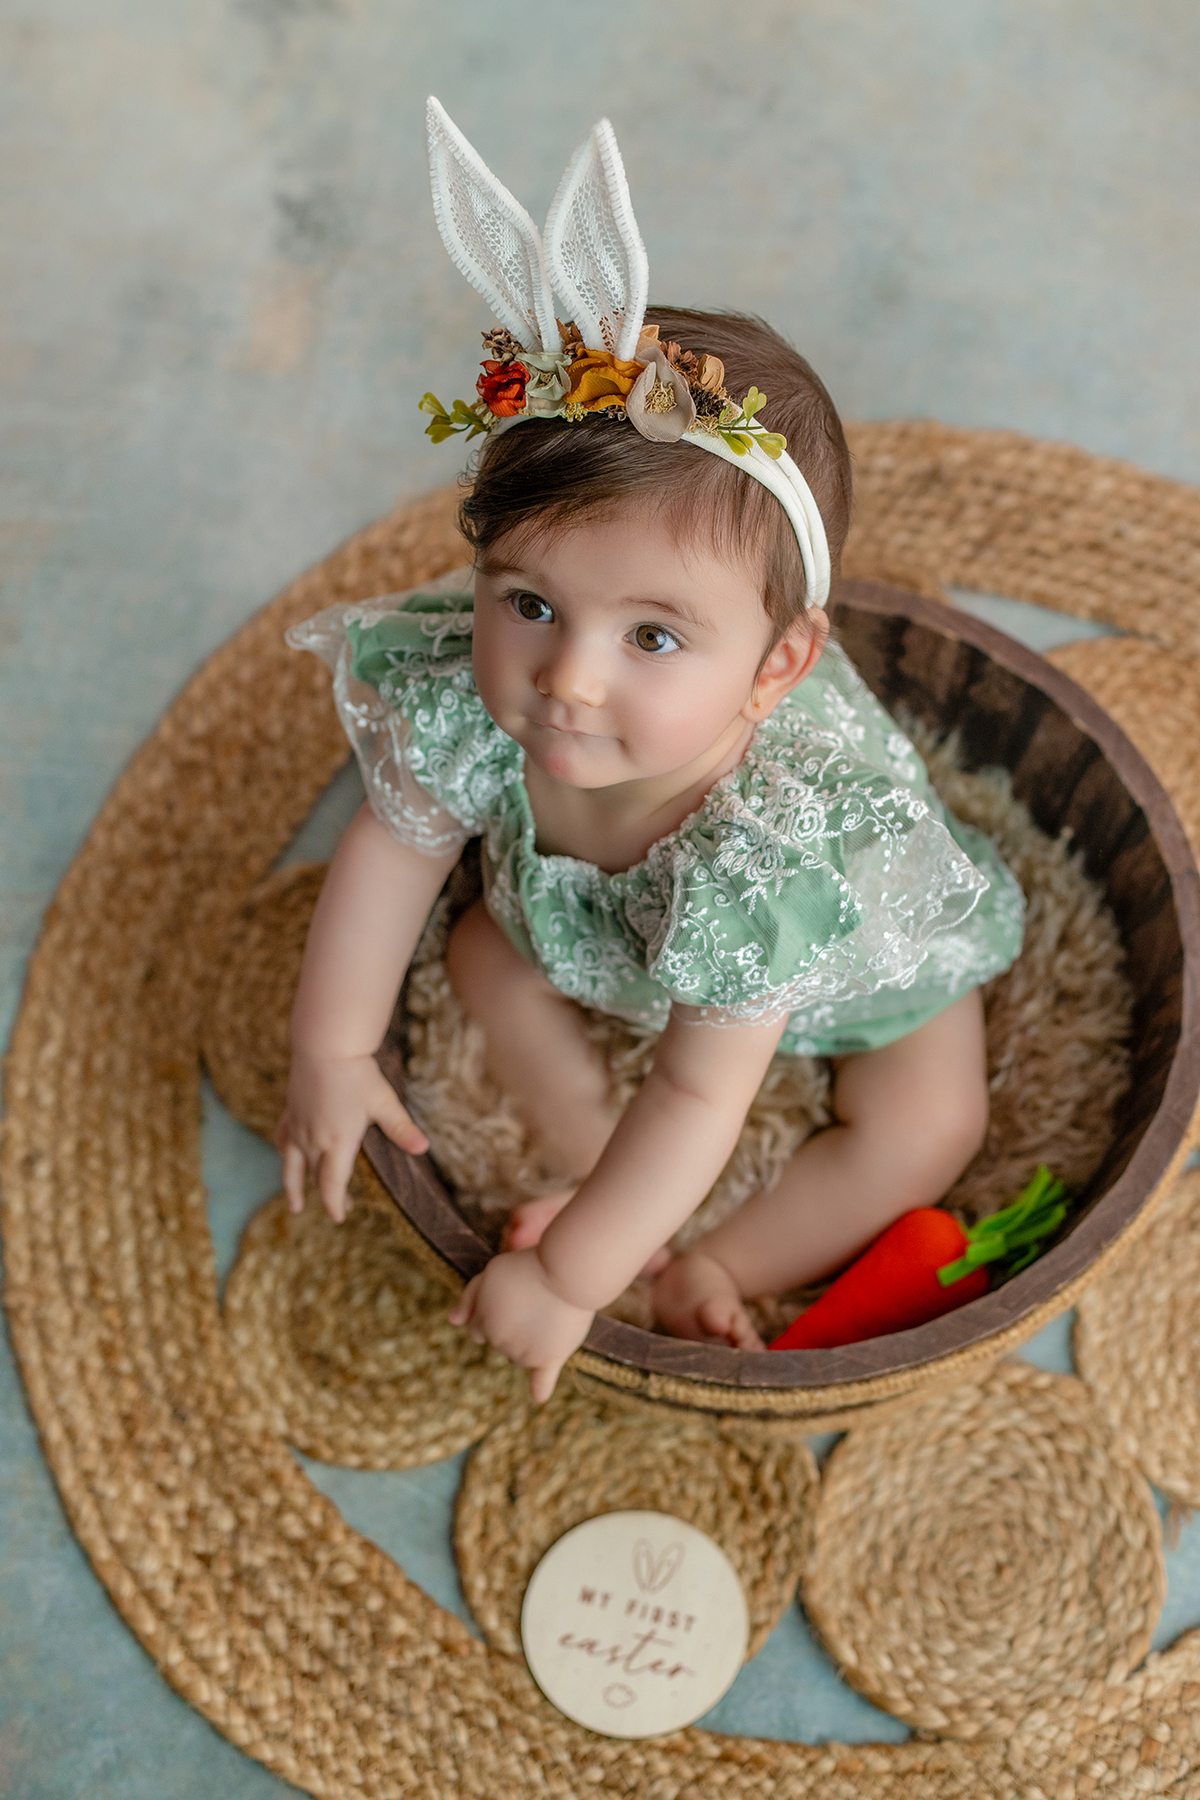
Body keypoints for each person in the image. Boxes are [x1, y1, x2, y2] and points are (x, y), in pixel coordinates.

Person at [276, 105, 1025, 1402]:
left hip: (851, 969)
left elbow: (696, 1090)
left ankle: (707, 1262)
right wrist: (334, 1050)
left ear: (777, 665)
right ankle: (598, 1174)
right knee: (477, 952)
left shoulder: (782, 848)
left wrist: (570, 1280)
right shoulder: (471, 689)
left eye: (655, 638)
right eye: (531, 604)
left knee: (926, 1124)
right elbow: (392, 848)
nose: (568, 677)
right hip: (610, 930)